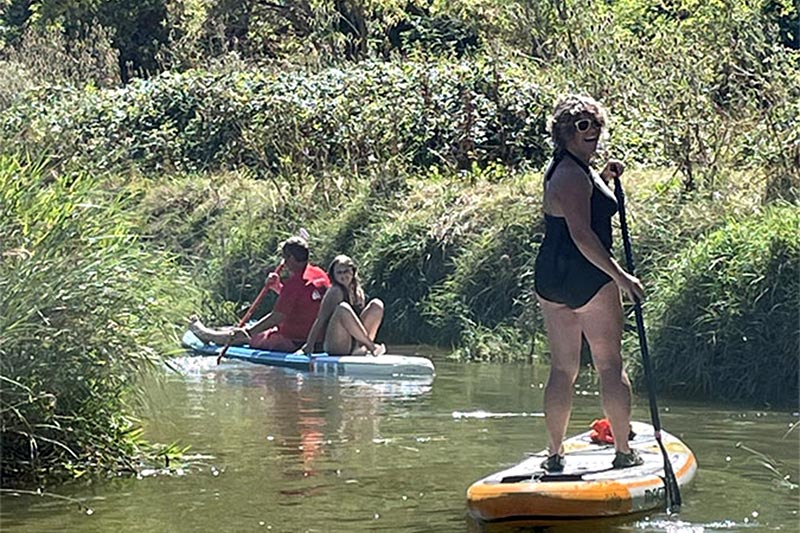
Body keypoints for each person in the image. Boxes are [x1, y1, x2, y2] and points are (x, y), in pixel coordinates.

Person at [533, 94, 646, 471]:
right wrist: (622, 277)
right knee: (610, 364)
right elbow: (582, 235)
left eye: (597, 124)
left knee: (563, 368)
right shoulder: (571, 174)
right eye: (583, 126)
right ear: (564, 133)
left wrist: (606, 178)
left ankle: (554, 455)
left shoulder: (572, 168)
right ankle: (623, 452)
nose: (593, 132)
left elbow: (584, 199)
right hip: (585, 273)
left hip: (551, 275)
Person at [189, 236, 330, 352]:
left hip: (292, 341)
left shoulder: (293, 285)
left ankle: (206, 335)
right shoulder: (319, 273)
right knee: (251, 329)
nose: (284, 262)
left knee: (246, 336)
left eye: (285, 258)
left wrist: (249, 332)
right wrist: (277, 287)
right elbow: (301, 301)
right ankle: (222, 331)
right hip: (316, 338)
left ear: (291, 258)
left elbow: (276, 317)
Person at [301, 254, 385, 356]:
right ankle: (372, 347)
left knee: (377, 305)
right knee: (342, 308)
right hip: (336, 343)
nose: (343, 276)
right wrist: (309, 345)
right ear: (334, 275)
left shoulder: (358, 291)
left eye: (346, 271)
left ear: (353, 272)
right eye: (339, 272)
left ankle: (360, 348)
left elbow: (357, 321)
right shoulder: (334, 291)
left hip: (354, 341)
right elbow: (320, 319)